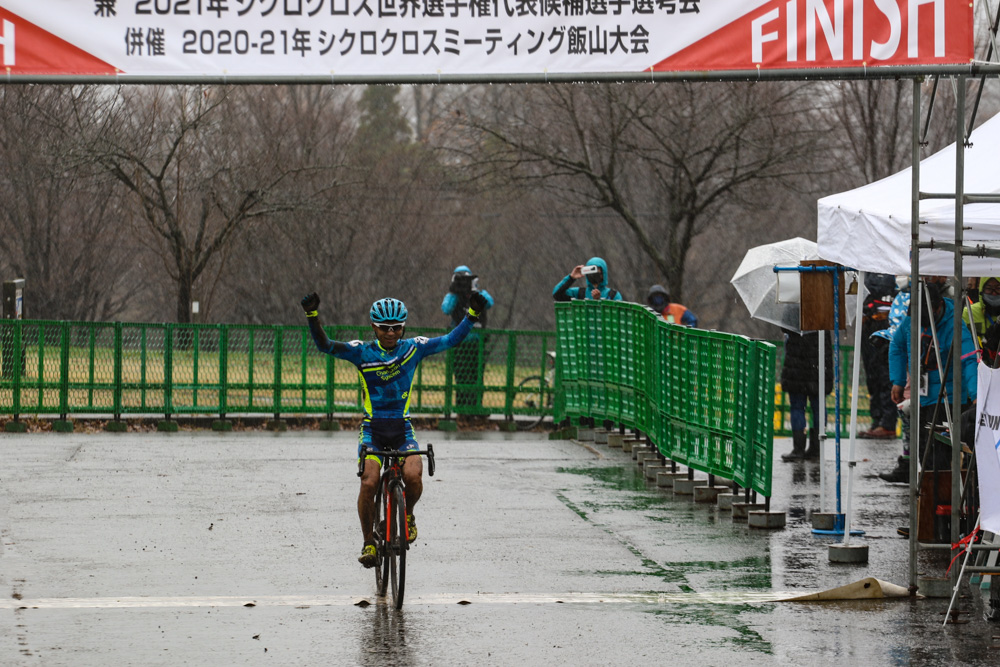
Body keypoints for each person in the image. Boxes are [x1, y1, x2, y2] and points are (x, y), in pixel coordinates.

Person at [301, 290, 488, 568]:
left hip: (402, 428)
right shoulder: (361, 352)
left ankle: (407, 515)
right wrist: (312, 316)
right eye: (385, 328)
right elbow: (325, 345)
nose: (391, 333)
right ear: (373, 327)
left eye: (396, 328)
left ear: (404, 327)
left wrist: (471, 315)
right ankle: (368, 542)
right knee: (369, 481)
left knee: (414, 475)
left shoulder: (414, 348)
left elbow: (451, 340)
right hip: (373, 429)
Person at [888, 280, 977, 480]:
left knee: (941, 455)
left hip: (951, 399)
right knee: (924, 451)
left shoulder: (955, 325)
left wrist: (976, 395)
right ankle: (931, 495)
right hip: (923, 397)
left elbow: (969, 359)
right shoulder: (913, 319)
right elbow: (897, 345)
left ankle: (944, 498)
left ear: (937, 308)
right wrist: (898, 381)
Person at [441, 266, 495, 416]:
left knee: (477, 376)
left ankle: (476, 407)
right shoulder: (454, 296)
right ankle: (462, 408)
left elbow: (489, 302)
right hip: (460, 343)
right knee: (461, 376)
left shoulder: (478, 294)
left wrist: (475, 290)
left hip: (477, 344)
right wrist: (454, 291)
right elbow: (446, 308)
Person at [779, 328, 834, 461]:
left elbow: (784, 326)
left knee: (797, 406)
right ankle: (816, 449)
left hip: (797, 362)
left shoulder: (793, 307)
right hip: (819, 362)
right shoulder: (825, 309)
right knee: (819, 405)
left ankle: (798, 449)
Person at [858, 273, 898, 439]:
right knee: (872, 376)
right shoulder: (865, 272)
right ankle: (877, 420)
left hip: (886, 327)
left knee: (885, 376)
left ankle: (887, 423)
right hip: (869, 326)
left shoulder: (894, 271)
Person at [553, 257, 623, 302]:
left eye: (597, 271)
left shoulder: (613, 295)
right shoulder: (579, 294)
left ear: (603, 273)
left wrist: (599, 301)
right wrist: (571, 277)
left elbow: (616, 318)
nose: (594, 275)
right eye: (591, 271)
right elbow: (557, 294)